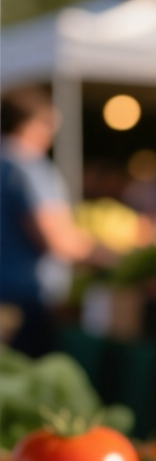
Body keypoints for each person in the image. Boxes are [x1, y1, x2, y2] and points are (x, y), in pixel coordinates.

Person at [0, 88, 91, 355]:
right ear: (32, 125)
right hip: (24, 297)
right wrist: (101, 254)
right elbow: (52, 237)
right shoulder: (25, 166)